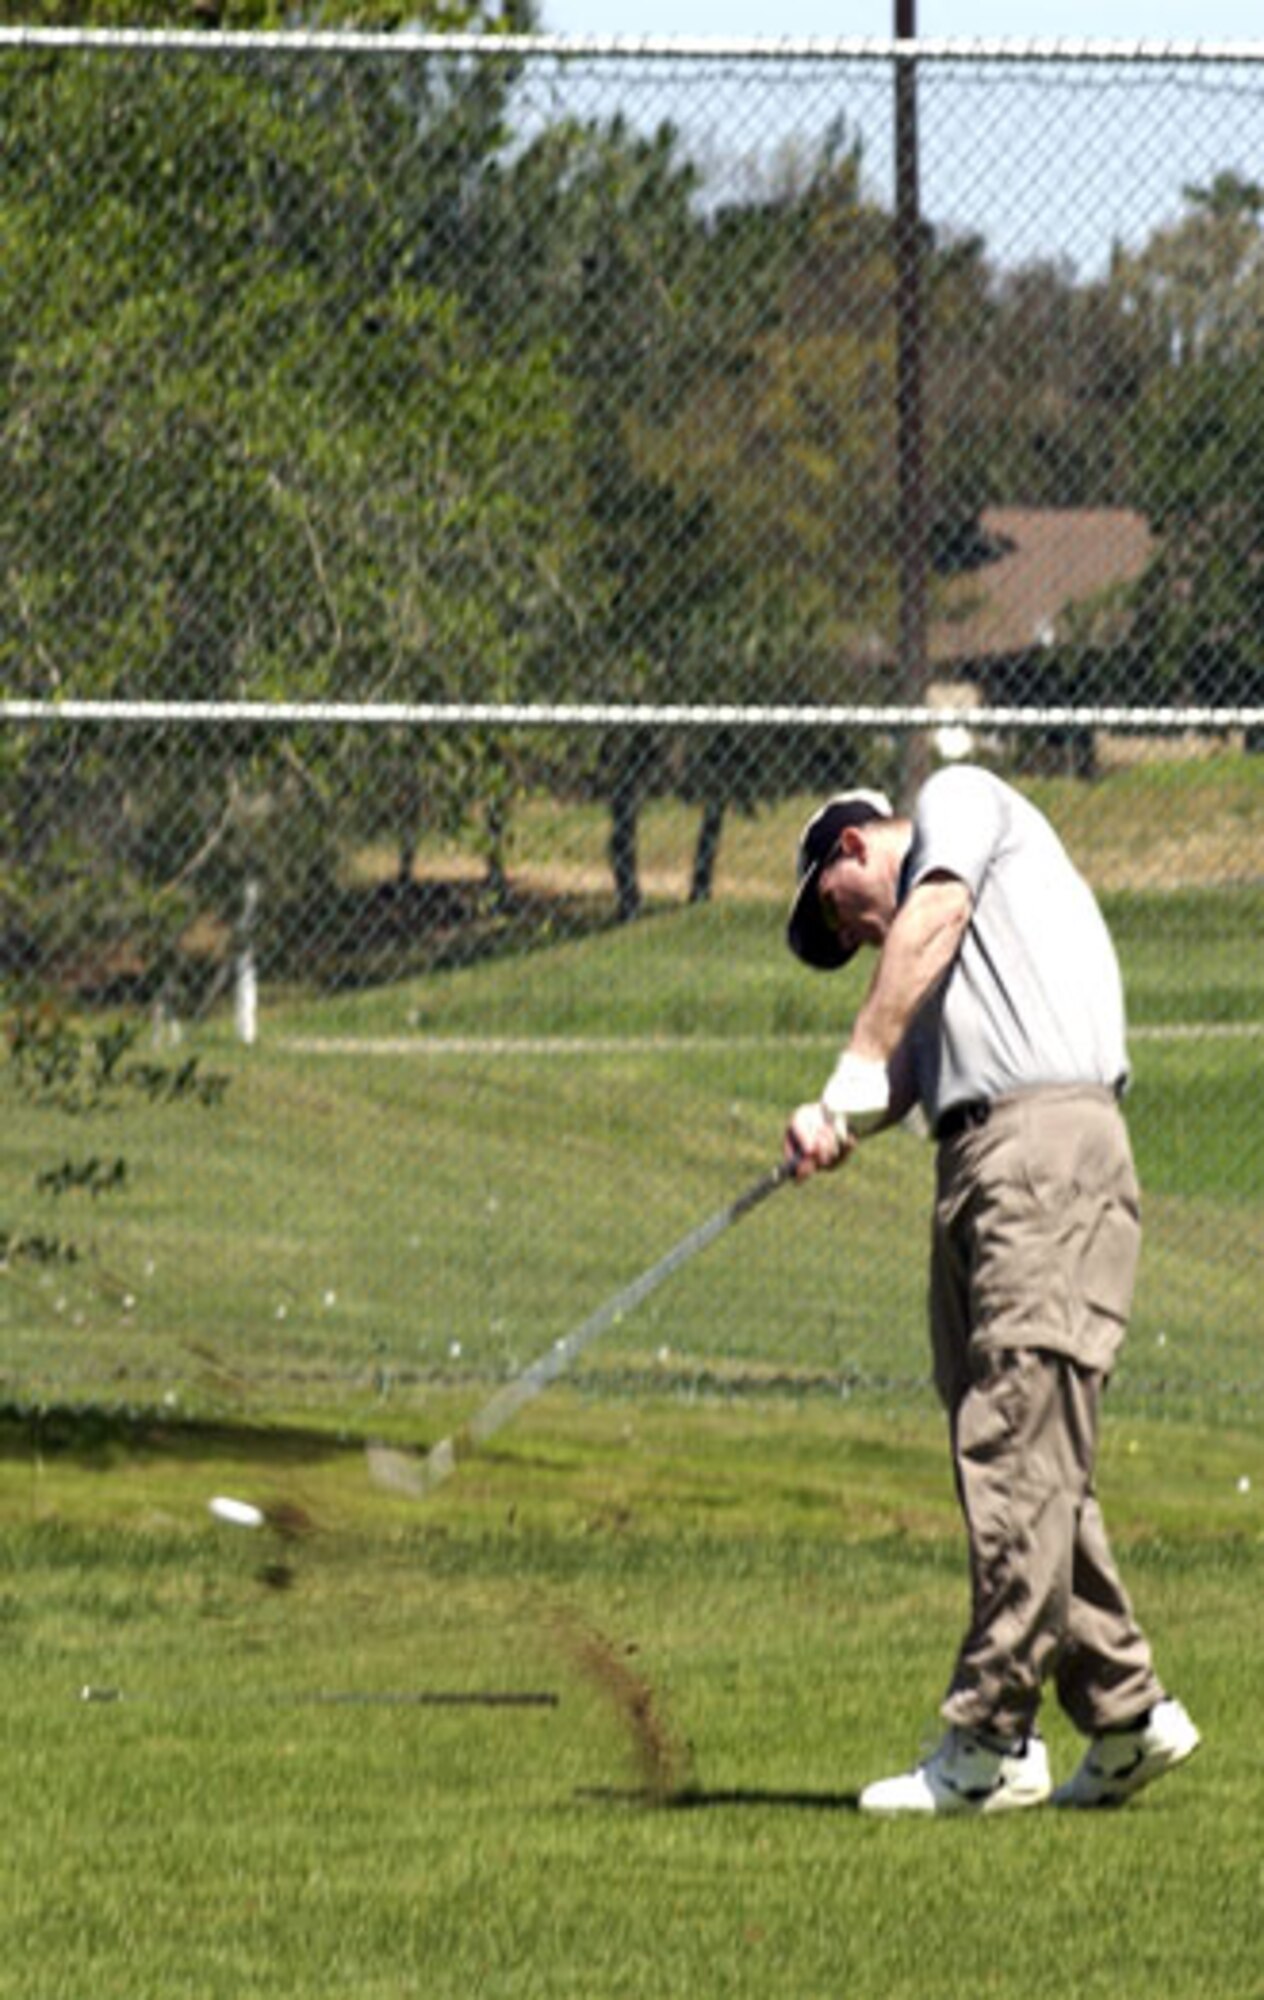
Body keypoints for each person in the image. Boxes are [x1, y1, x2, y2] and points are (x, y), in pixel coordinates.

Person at [783, 764, 1200, 1816]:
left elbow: (931, 915)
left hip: (1041, 1152)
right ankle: (1123, 1709)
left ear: (851, 848)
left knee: (1013, 1435)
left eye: (844, 917)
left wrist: (854, 1058)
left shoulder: (956, 808)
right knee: (1030, 1446)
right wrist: (837, 1121)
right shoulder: (926, 964)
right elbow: (908, 1082)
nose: (861, 942)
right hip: (977, 1163)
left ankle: (992, 1736)